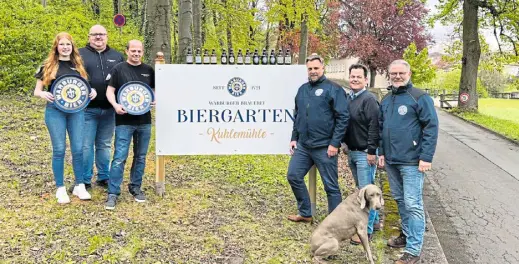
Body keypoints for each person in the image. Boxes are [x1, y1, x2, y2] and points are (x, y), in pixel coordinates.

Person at [378, 60, 439, 264]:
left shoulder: (420, 98)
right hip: (392, 160)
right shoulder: (386, 100)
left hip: (412, 161)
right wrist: (381, 152)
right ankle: (406, 234)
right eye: (393, 73)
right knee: (400, 200)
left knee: (413, 203)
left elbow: (431, 127)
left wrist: (426, 157)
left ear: (409, 73)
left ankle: (414, 249)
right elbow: (381, 128)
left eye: (400, 73)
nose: (397, 76)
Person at [33, 32, 97, 204]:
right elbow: (37, 90)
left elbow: (85, 87)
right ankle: (60, 188)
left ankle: (79, 185)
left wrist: (93, 91)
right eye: (62, 44)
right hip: (55, 111)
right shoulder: (48, 65)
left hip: (76, 111)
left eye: (68, 44)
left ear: (72, 47)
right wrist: (43, 94)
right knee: (59, 149)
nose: (65, 47)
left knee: (78, 149)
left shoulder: (78, 65)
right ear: (56, 47)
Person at [286, 54, 349, 223]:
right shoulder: (302, 89)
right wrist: (294, 138)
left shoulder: (334, 89)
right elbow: (297, 116)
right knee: (293, 175)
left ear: (323, 68)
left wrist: (335, 143)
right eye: (310, 69)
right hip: (304, 146)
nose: (313, 71)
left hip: (325, 147)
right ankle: (306, 213)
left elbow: (343, 118)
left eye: (316, 68)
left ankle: (335, 223)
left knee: (331, 186)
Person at [104, 40, 155, 210]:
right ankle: (113, 193)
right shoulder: (118, 69)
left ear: (142, 52)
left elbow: (153, 91)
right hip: (124, 121)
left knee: (140, 156)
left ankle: (135, 188)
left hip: (144, 121)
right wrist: (115, 105)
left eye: (139, 51)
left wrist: (154, 100)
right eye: (133, 50)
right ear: (127, 51)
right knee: (119, 157)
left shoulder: (149, 70)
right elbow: (110, 91)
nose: (136, 53)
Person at [79, 25, 125, 190]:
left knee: (104, 144)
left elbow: (124, 80)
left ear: (107, 36)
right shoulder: (79, 54)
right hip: (86, 109)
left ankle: (103, 176)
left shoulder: (117, 56)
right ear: (89, 36)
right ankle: (84, 179)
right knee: (86, 145)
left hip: (109, 110)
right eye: (95, 34)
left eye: (102, 34)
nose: (98, 37)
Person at [342, 64, 381, 245]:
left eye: (359, 76)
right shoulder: (349, 98)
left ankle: (367, 230)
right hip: (352, 150)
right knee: (361, 191)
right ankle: (375, 220)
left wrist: (372, 151)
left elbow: (375, 127)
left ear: (366, 79)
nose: (355, 79)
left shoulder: (369, 100)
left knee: (368, 195)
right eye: (352, 76)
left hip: (365, 153)